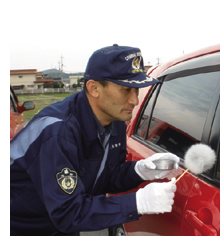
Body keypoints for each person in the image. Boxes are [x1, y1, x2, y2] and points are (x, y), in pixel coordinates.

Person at [10, 44, 180, 236]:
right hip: (21, 229)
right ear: (94, 88)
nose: (134, 100)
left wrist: (139, 171)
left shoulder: (114, 120)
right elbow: (66, 212)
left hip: (59, 227)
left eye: (137, 90)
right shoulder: (58, 132)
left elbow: (106, 177)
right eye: (126, 89)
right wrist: (138, 202)